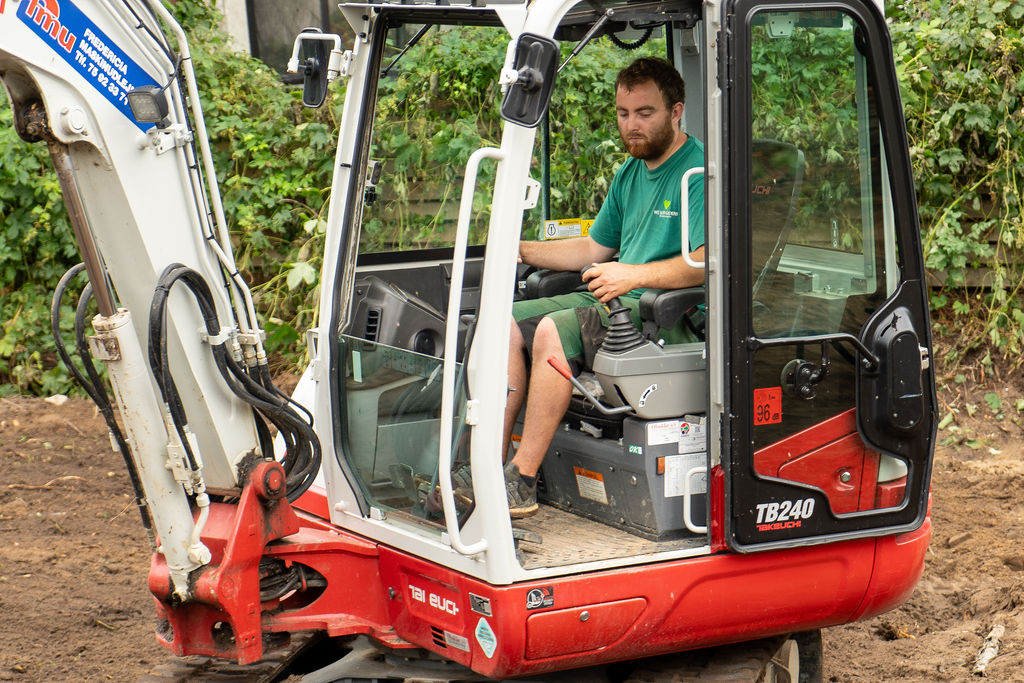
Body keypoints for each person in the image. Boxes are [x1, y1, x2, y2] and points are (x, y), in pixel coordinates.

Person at [502, 56, 706, 518]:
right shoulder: (630, 173)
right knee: (503, 326)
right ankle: (486, 469)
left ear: (676, 112)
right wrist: (522, 249)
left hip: (666, 314)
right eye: (623, 113)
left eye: (644, 113)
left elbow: (705, 263)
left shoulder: (699, 172)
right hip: (617, 299)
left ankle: (523, 480)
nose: (631, 126)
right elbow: (595, 247)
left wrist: (633, 274)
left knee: (552, 331)